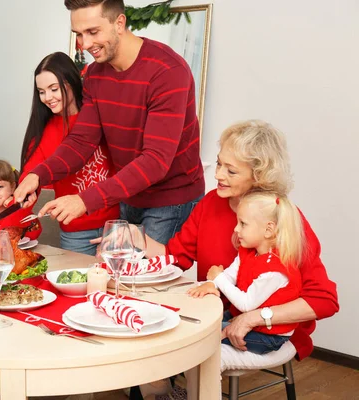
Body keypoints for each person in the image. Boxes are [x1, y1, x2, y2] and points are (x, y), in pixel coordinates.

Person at [13, 0, 204, 245]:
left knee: (146, 280)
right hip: (128, 197)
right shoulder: (94, 74)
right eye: (79, 34)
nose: (85, 44)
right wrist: (38, 175)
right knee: (116, 276)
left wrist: (85, 200)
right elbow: (82, 141)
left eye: (93, 32)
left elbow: (155, 161)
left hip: (170, 201)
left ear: (119, 23)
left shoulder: (167, 71)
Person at [145, 120, 338, 361]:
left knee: (176, 346)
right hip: (216, 316)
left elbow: (324, 300)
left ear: (258, 176)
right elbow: (175, 258)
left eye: (231, 170)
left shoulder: (282, 218)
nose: (217, 175)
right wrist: (139, 240)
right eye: (218, 163)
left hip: (269, 332)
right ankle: (164, 391)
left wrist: (254, 317)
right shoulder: (211, 202)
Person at [21, 52, 119, 255]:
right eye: (41, 92)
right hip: (76, 233)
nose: (47, 97)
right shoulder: (44, 132)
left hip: (116, 225)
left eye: (53, 89)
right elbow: (32, 172)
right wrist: (25, 191)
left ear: (72, 82)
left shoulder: (100, 118)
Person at [189, 191, 304, 355]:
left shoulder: (274, 271)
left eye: (243, 224)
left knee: (202, 333)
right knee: (200, 321)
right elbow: (230, 275)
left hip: (268, 335)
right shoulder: (249, 251)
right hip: (243, 317)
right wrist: (212, 283)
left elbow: (246, 303)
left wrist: (218, 278)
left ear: (268, 229)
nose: (236, 229)